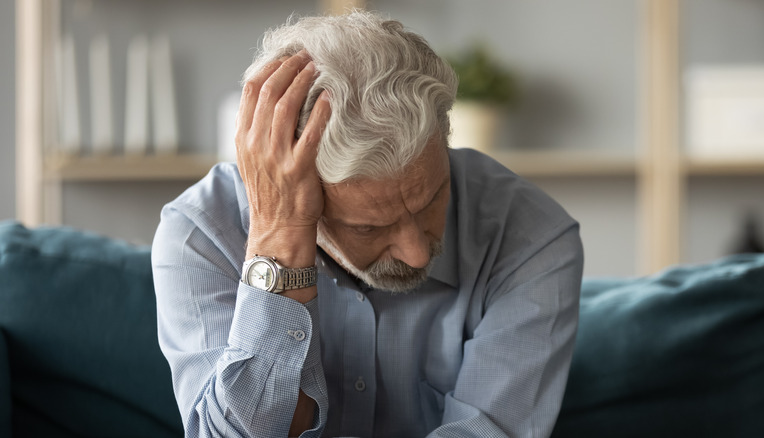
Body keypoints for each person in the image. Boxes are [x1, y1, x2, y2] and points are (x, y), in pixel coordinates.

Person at [152, 11, 583, 438]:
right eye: (368, 228)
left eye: (432, 198)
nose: (417, 253)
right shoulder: (200, 234)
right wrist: (280, 237)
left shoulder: (532, 235)